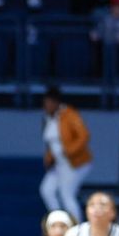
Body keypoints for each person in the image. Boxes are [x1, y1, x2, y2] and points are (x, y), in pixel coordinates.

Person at [38, 86, 91, 222]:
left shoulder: (69, 114)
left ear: (56, 102)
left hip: (75, 162)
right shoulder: (48, 118)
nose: (46, 106)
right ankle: (58, 221)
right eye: (45, 103)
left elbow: (84, 136)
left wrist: (69, 151)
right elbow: (53, 143)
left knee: (66, 194)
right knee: (47, 189)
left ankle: (77, 228)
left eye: (49, 103)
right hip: (59, 164)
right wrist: (49, 157)